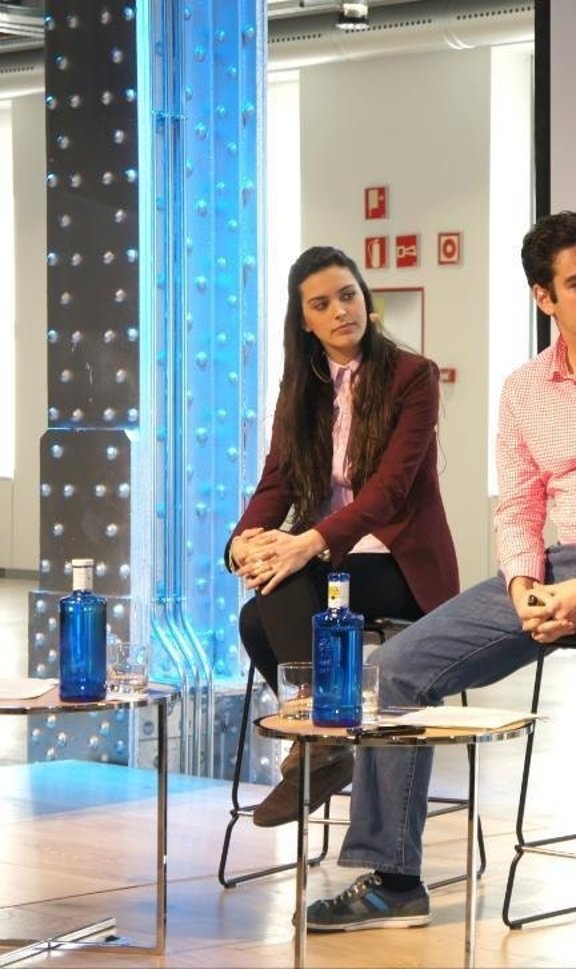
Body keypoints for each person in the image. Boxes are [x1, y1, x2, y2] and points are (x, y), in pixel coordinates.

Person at [303, 210, 576, 931]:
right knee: (394, 670)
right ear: (544, 296)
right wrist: (524, 583)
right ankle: (393, 879)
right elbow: (520, 504)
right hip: (563, 563)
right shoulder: (525, 387)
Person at [226, 245, 459, 826]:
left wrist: (306, 543)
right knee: (254, 619)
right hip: (328, 563)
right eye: (322, 304)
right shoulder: (301, 387)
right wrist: (243, 541)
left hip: (400, 564)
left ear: (365, 299)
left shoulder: (412, 375)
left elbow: (389, 492)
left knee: (286, 581)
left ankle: (321, 744)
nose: (339, 312)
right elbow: (277, 480)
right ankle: (324, 743)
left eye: (348, 295)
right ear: (304, 320)